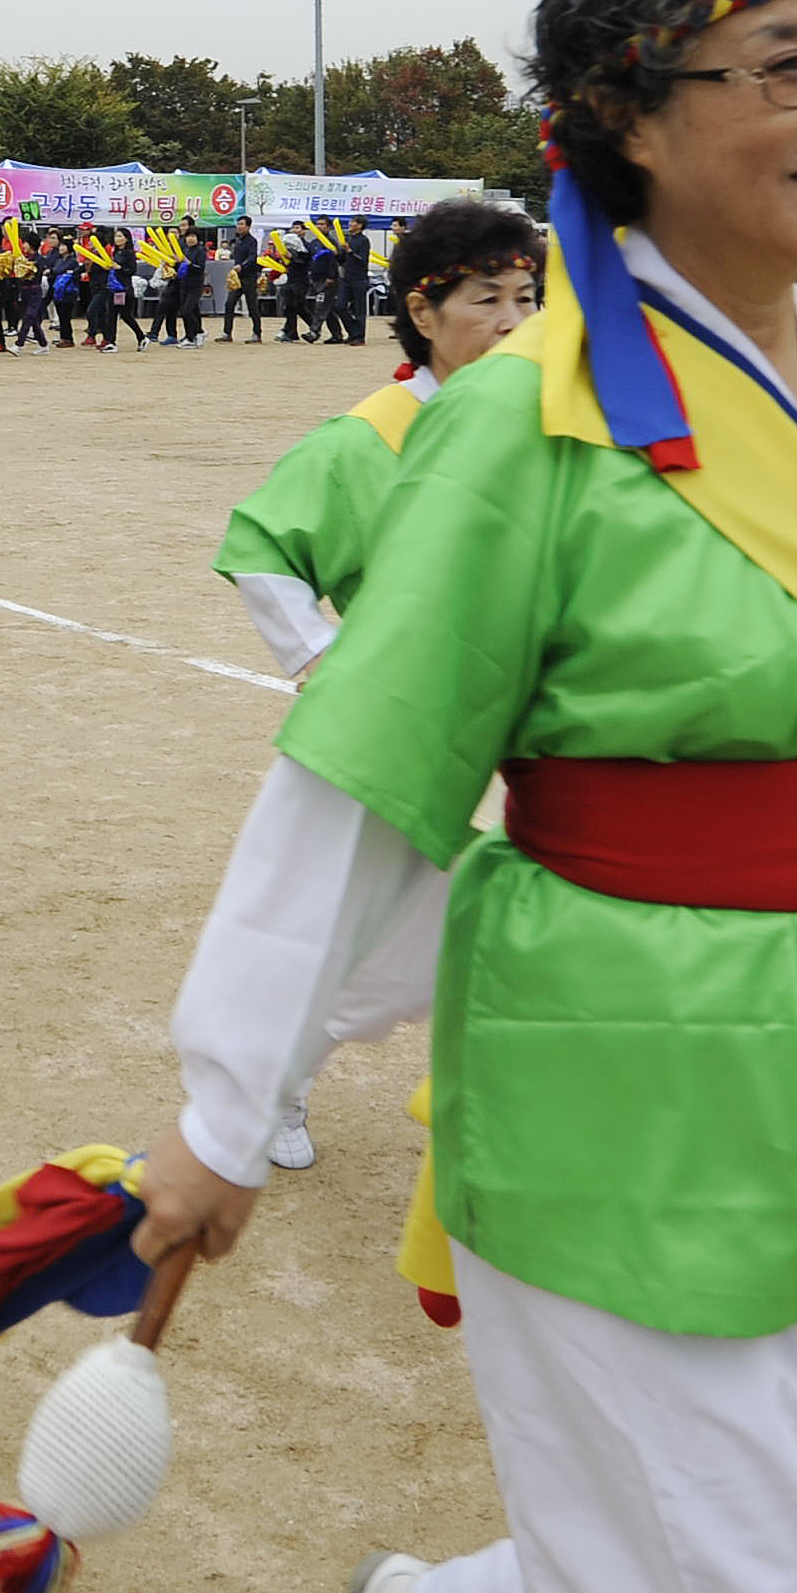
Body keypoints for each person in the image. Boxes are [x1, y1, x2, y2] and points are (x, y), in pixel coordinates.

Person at [135, 0, 797, 1593]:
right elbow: (366, 772)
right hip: (618, 1066)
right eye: (781, 66)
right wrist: (227, 1107)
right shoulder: (520, 416)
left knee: (762, 1541)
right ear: (625, 115)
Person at [211, 199, 544, 1176]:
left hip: (527, 713)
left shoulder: (550, 423)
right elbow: (262, 544)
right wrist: (318, 657)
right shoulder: (365, 440)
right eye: (487, 297)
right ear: (424, 309)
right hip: (412, 717)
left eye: (526, 296)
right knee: (397, 933)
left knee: (492, 915)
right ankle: (274, 1077)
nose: (514, 319)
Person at [226, 216, 265, 341]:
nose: (239, 226)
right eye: (238, 224)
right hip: (237, 278)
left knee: (252, 305)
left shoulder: (251, 241)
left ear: (248, 226)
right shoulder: (237, 241)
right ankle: (227, 333)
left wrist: (242, 266)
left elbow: (252, 257)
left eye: (242, 224)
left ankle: (257, 333)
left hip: (249, 277)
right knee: (229, 304)